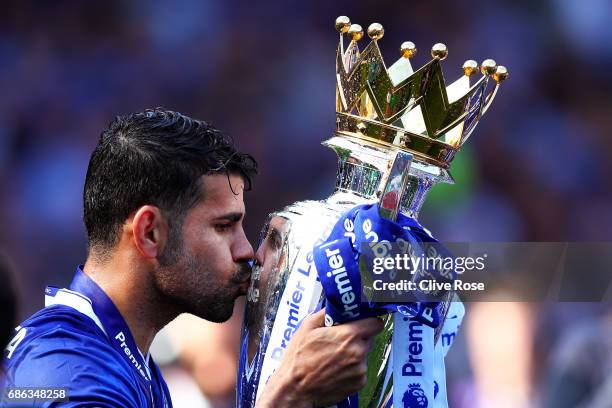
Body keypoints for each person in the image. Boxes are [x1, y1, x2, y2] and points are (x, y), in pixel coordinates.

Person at [1, 108, 383, 407]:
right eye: (223, 227)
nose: (245, 250)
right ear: (150, 232)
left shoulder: (129, 364)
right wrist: (288, 395)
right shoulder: (62, 368)